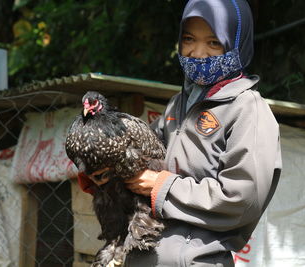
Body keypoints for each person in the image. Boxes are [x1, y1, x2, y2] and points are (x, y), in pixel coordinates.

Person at [79, 0, 282, 266]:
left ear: (236, 44)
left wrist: (161, 186)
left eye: (213, 43)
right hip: (142, 252)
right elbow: (142, 161)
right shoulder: (178, 104)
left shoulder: (248, 110)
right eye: (189, 39)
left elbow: (242, 200)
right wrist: (102, 170)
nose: (198, 53)